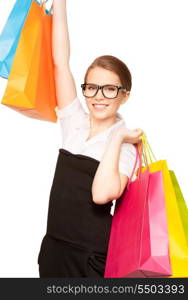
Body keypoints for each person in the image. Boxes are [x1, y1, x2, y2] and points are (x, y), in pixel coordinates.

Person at [37, 0, 143, 278]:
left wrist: (118, 137)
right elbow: (60, 63)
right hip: (54, 249)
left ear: (124, 95)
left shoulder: (127, 147)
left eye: (109, 89)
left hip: (91, 258)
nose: (98, 96)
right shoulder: (73, 122)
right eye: (92, 87)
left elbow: (100, 195)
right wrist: (60, 4)